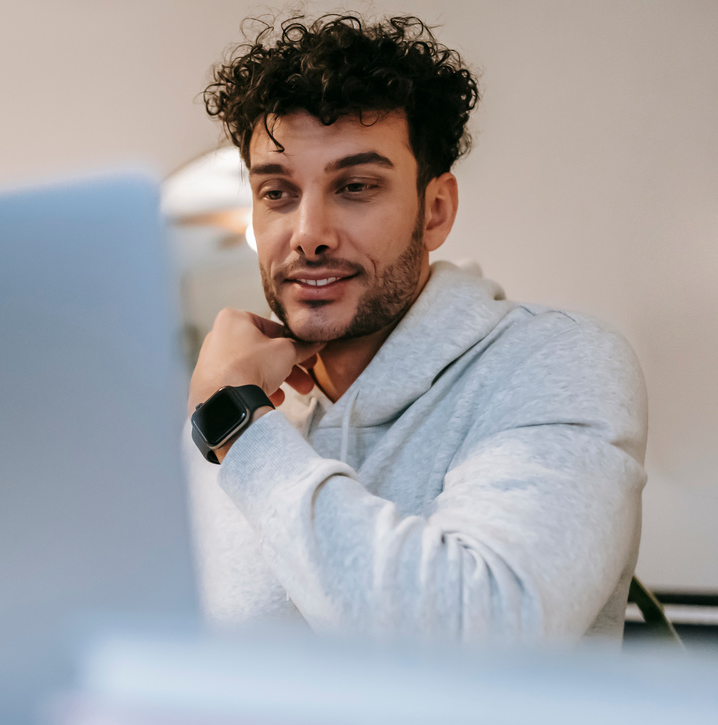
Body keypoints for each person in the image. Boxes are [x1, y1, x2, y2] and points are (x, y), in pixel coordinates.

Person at [185, 14, 646, 642]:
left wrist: (238, 426)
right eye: (277, 193)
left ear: (435, 211)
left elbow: (478, 637)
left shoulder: (556, 362)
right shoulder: (235, 396)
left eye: (355, 187)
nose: (309, 234)